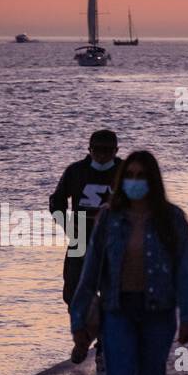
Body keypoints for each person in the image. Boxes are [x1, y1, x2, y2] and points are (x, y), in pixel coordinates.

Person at [69, 150, 188, 375]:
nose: (135, 181)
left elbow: (184, 271)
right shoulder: (109, 218)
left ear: (153, 180)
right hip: (118, 312)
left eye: (141, 176)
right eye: (130, 175)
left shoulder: (173, 219)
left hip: (159, 313)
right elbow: (91, 271)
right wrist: (78, 317)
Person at [51, 130, 120, 316]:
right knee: (74, 291)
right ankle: (82, 333)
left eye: (108, 150)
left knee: (114, 289)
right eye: (97, 150)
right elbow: (56, 202)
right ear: (89, 149)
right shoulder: (76, 171)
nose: (102, 155)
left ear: (116, 150)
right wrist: (70, 229)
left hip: (114, 236)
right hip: (80, 232)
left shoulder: (125, 171)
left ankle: (106, 338)